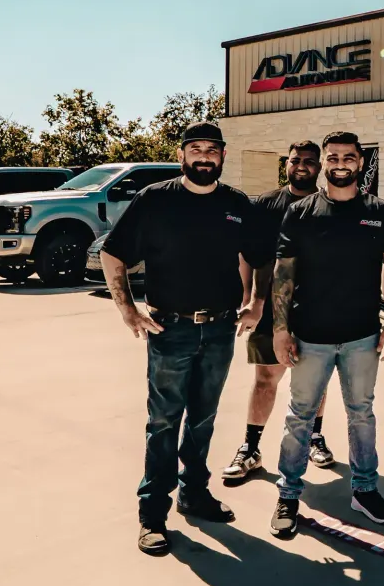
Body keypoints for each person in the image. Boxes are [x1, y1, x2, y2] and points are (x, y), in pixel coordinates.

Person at [102, 122, 266, 555]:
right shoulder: (155, 200)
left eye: (212, 150)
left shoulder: (235, 204)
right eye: (196, 149)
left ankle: (195, 493)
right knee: (163, 422)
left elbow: (261, 255)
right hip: (170, 329)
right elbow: (112, 251)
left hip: (219, 329)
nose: (204, 157)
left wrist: (257, 301)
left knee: (203, 418)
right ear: (182, 155)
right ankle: (152, 514)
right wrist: (127, 309)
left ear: (223, 157)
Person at [268, 131, 384, 537]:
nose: (340, 163)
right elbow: (283, 273)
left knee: (361, 413)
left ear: (361, 162)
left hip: (363, 334)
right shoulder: (302, 212)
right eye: (333, 157)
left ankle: (364, 489)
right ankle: (289, 493)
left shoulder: (380, 211)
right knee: (300, 416)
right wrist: (280, 329)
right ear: (324, 162)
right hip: (311, 334)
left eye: (349, 156)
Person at [221, 141, 330, 484]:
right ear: (286, 164)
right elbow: (252, 257)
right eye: (296, 160)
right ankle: (250, 448)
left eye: (310, 161)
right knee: (266, 380)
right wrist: (252, 301)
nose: (302, 166)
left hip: (318, 309)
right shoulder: (266, 205)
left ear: (320, 167)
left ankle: (315, 436)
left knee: (317, 381)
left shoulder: (331, 205)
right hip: (271, 309)